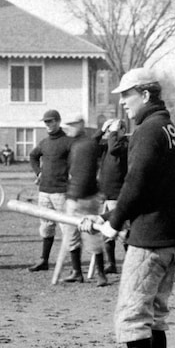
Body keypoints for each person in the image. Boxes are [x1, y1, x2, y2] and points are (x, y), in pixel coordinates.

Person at [78, 67, 175, 348]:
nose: (122, 103)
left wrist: (112, 223)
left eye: (126, 95)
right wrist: (118, 220)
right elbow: (150, 185)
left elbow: (137, 183)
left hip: (152, 239)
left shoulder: (146, 130)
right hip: (172, 236)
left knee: (131, 316)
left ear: (144, 94)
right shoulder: (167, 127)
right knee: (154, 317)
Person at [62, 116, 108, 286]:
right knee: (72, 236)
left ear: (80, 125)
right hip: (75, 195)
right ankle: (77, 272)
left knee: (92, 235)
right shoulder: (77, 144)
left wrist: (79, 195)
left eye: (71, 125)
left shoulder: (84, 145)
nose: (68, 128)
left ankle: (101, 274)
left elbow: (85, 174)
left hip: (84, 197)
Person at [28, 109, 73, 272]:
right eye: (45, 122)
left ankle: (74, 267)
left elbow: (79, 161)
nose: (47, 125)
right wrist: (39, 172)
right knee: (46, 226)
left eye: (50, 121)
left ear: (58, 122)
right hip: (44, 191)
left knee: (67, 227)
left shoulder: (68, 142)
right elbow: (33, 156)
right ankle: (44, 260)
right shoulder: (44, 143)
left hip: (61, 191)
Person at [94, 117, 129, 274]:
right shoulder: (108, 143)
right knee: (106, 232)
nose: (111, 133)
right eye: (110, 131)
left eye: (115, 130)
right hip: (105, 195)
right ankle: (112, 264)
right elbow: (91, 145)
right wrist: (102, 130)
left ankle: (130, 265)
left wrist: (113, 132)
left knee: (122, 232)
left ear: (123, 130)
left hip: (118, 194)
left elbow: (114, 148)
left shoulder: (125, 144)